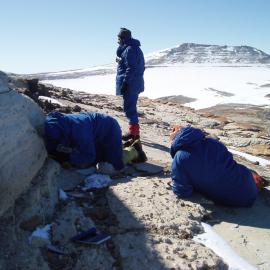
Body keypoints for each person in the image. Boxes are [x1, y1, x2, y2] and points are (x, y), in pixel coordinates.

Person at [170, 125, 264, 207]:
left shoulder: (180, 157)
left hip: (238, 200)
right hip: (248, 184)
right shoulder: (213, 142)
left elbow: (182, 191)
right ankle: (258, 182)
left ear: (175, 140)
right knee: (241, 173)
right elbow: (228, 162)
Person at [44, 111, 146, 170]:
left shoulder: (79, 132)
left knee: (113, 165)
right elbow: (53, 141)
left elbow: (89, 156)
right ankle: (120, 146)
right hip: (95, 133)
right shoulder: (54, 122)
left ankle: (134, 149)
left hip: (110, 129)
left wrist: (68, 158)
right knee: (98, 156)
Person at [116, 27, 145, 141]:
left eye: (119, 38)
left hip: (130, 83)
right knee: (130, 107)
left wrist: (125, 83)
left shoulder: (130, 49)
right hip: (134, 82)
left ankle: (134, 133)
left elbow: (131, 68)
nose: (117, 40)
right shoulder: (133, 48)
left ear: (123, 38)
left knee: (129, 108)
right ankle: (134, 131)